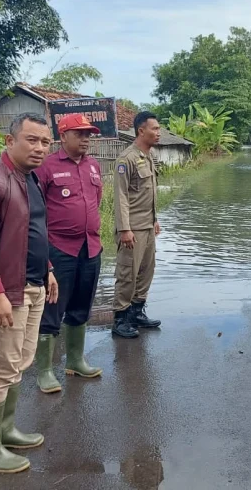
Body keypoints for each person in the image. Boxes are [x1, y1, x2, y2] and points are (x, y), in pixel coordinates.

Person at [0, 113, 59, 474]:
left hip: (32, 284)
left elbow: (32, 230)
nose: (39, 148)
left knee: (21, 361)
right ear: (9, 140)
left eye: (45, 142)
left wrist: (47, 270)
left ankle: (4, 429)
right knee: (2, 368)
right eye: (31, 140)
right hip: (5, 291)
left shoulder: (30, 179)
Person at [33, 113, 105, 394]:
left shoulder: (94, 166)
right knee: (52, 309)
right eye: (80, 133)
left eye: (89, 133)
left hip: (91, 247)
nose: (86, 138)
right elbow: (35, 214)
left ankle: (75, 360)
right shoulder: (46, 168)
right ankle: (45, 371)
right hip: (59, 248)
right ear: (63, 136)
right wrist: (45, 257)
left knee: (81, 305)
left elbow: (96, 202)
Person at [111, 112, 163, 339]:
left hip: (147, 226)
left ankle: (136, 312)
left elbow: (147, 193)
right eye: (155, 129)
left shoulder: (148, 156)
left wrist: (155, 219)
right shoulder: (127, 159)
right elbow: (121, 196)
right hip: (131, 228)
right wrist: (124, 229)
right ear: (141, 131)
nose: (159, 133)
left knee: (145, 272)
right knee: (127, 274)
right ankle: (120, 319)